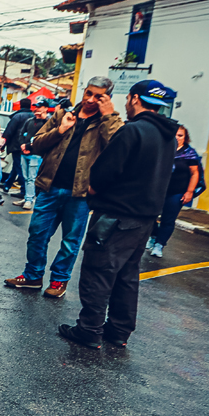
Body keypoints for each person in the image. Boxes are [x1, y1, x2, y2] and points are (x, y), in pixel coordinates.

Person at [59, 80, 180, 349]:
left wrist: (92, 192)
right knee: (127, 276)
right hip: (145, 219)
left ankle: (89, 329)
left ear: (134, 99)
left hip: (115, 216)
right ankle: (119, 331)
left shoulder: (132, 131)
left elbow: (103, 173)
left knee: (98, 272)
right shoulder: (169, 136)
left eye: (128, 100)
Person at [5, 77, 122, 300]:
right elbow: (36, 144)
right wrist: (60, 130)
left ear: (107, 98)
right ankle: (32, 276)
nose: (90, 99)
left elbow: (118, 147)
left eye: (98, 96)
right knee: (37, 234)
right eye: (88, 93)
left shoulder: (107, 122)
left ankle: (59, 280)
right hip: (50, 187)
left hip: (80, 193)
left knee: (70, 241)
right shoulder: (63, 115)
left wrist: (109, 115)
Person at [147, 124, 202, 258]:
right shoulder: (163, 149)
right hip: (158, 190)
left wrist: (189, 192)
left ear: (185, 137)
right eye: (175, 135)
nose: (177, 138)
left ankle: (160, 244)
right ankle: (153, 235)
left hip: (177, 192)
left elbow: (195, 173)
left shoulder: (189, 153)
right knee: (150, 215)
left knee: (168, 219)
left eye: (180, 135)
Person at [12, 100, 51, 210]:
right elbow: (21, 133)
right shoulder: (29, 121)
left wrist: (44, 118)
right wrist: (23, 145)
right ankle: (26, 197)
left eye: (40, 107)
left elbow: (47, 136)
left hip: (36, 153)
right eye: (37, 106)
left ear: (46, 108)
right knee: (25, 177)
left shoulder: (48, 122)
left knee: (31, 178)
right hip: (24, 153)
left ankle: (29, 199)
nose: (37, 109)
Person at [0, 103, 35, 193]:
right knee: (17, 166)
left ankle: (23, 190)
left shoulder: (18, 116)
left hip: (16, 145)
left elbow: (9, 131)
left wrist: (3, 145)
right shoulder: (33, 117)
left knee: (19, 167)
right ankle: (8, 184)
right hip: (28, 146)